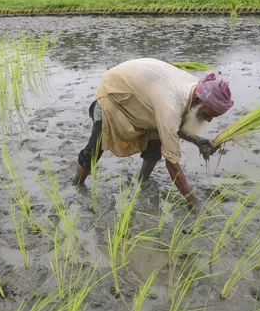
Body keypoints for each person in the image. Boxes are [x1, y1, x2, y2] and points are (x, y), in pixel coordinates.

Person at [73, 58, 233, 211]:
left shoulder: (194, 89)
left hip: (141, 93)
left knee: (156, 141)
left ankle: (142, 182)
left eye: (213, 117)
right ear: (198, 101)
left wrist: (197, 141)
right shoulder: (170, 105)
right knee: (95, 148)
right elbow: (172, 162)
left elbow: (172, 125)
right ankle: (77, 186)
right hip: (114, 92)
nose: (209, 120)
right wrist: (193, 201)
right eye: (207, 114)